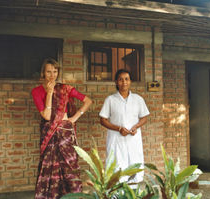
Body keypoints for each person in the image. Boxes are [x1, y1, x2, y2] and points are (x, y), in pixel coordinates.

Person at [31, 58, 92, 199]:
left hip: (65, 135)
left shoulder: (65, 89)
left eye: (55, 71)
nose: (52, 75)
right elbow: (46, 115)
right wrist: (50, 93)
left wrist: (74, 118)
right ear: (43, 73)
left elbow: (88, 101)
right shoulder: (37, 91)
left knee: (69, 168)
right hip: (49, 135)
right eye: (48, 72)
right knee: (49, 168)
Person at [99, 69, 150, 185]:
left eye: (126, 79)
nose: (124, 82)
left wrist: (136, 126)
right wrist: (118, 129)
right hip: (116, 140)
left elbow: (144, 117)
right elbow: (102, 120)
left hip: (133, 140)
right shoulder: (110, 100)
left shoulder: (138, 99)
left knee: (134, 167)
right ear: (116, 82)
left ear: (130, 81)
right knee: (117, 169)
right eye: (120, 79)